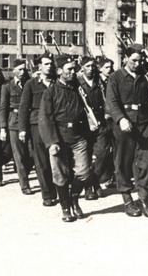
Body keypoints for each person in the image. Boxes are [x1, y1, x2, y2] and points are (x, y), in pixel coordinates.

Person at [106, 46, 148, 218]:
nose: (137, 63)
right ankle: (128, 199)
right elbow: (112, 102)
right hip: (125, 124)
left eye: (140, 60)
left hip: (144, 121)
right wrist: (121, 119)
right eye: (134, 60)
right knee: (123, 162)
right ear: (125, 58)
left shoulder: (145, 76)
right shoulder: (115, 78)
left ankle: (144, 197)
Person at [39, 54, 92, 222]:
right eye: (69, 69)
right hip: (59, 137)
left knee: (83, 172)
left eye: (74, 69)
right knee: (60, 175)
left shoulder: (78, 88)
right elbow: (45, 118)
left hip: (78, 136)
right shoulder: (51, 92)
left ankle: (74, 198)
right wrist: (51, 142)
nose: (73, 72)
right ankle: (65, 207)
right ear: (60, 71)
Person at [18, 52, 58, 206]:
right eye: (46, 64)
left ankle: (58, 188)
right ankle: (47, 195)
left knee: (58, 159)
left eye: (51, 63)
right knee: (42, 161)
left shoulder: (56, 82)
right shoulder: (31, 84)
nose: (50, 66)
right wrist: (22, 128)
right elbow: (24, 107)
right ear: (39, 66)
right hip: (37, 125)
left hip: (56, 124)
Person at [77, 56, 109, 200]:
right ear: (82, 67)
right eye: (87, 66)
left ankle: (95, 181)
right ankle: (89, 187)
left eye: (92, 66)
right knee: (86, 157)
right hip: (84, 125)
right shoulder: (77, 82)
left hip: (101, 122)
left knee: (102, 154)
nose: (91, 69)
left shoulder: (99, 82)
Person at [0, 59, 34, 195]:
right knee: (19, 155)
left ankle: (23, 172)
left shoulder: (29, 84)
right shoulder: (7, 87)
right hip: (14, 123)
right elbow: (3, 108)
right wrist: (3, 127)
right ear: (13, 71)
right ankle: (24, 184)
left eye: (24, 69)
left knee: (32, 154)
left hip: (29, 121)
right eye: (19, 69)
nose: (22, 72)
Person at [97, 57, 116, 188]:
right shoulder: (97, 82)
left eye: (110, 67)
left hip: (114, 120)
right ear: (100, 69)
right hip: (102, 120)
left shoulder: (113, 80)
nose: (109, 70)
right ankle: (97, 178)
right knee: (102, 151)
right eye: (106, 67)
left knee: (115, 150)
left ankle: (110, 177)